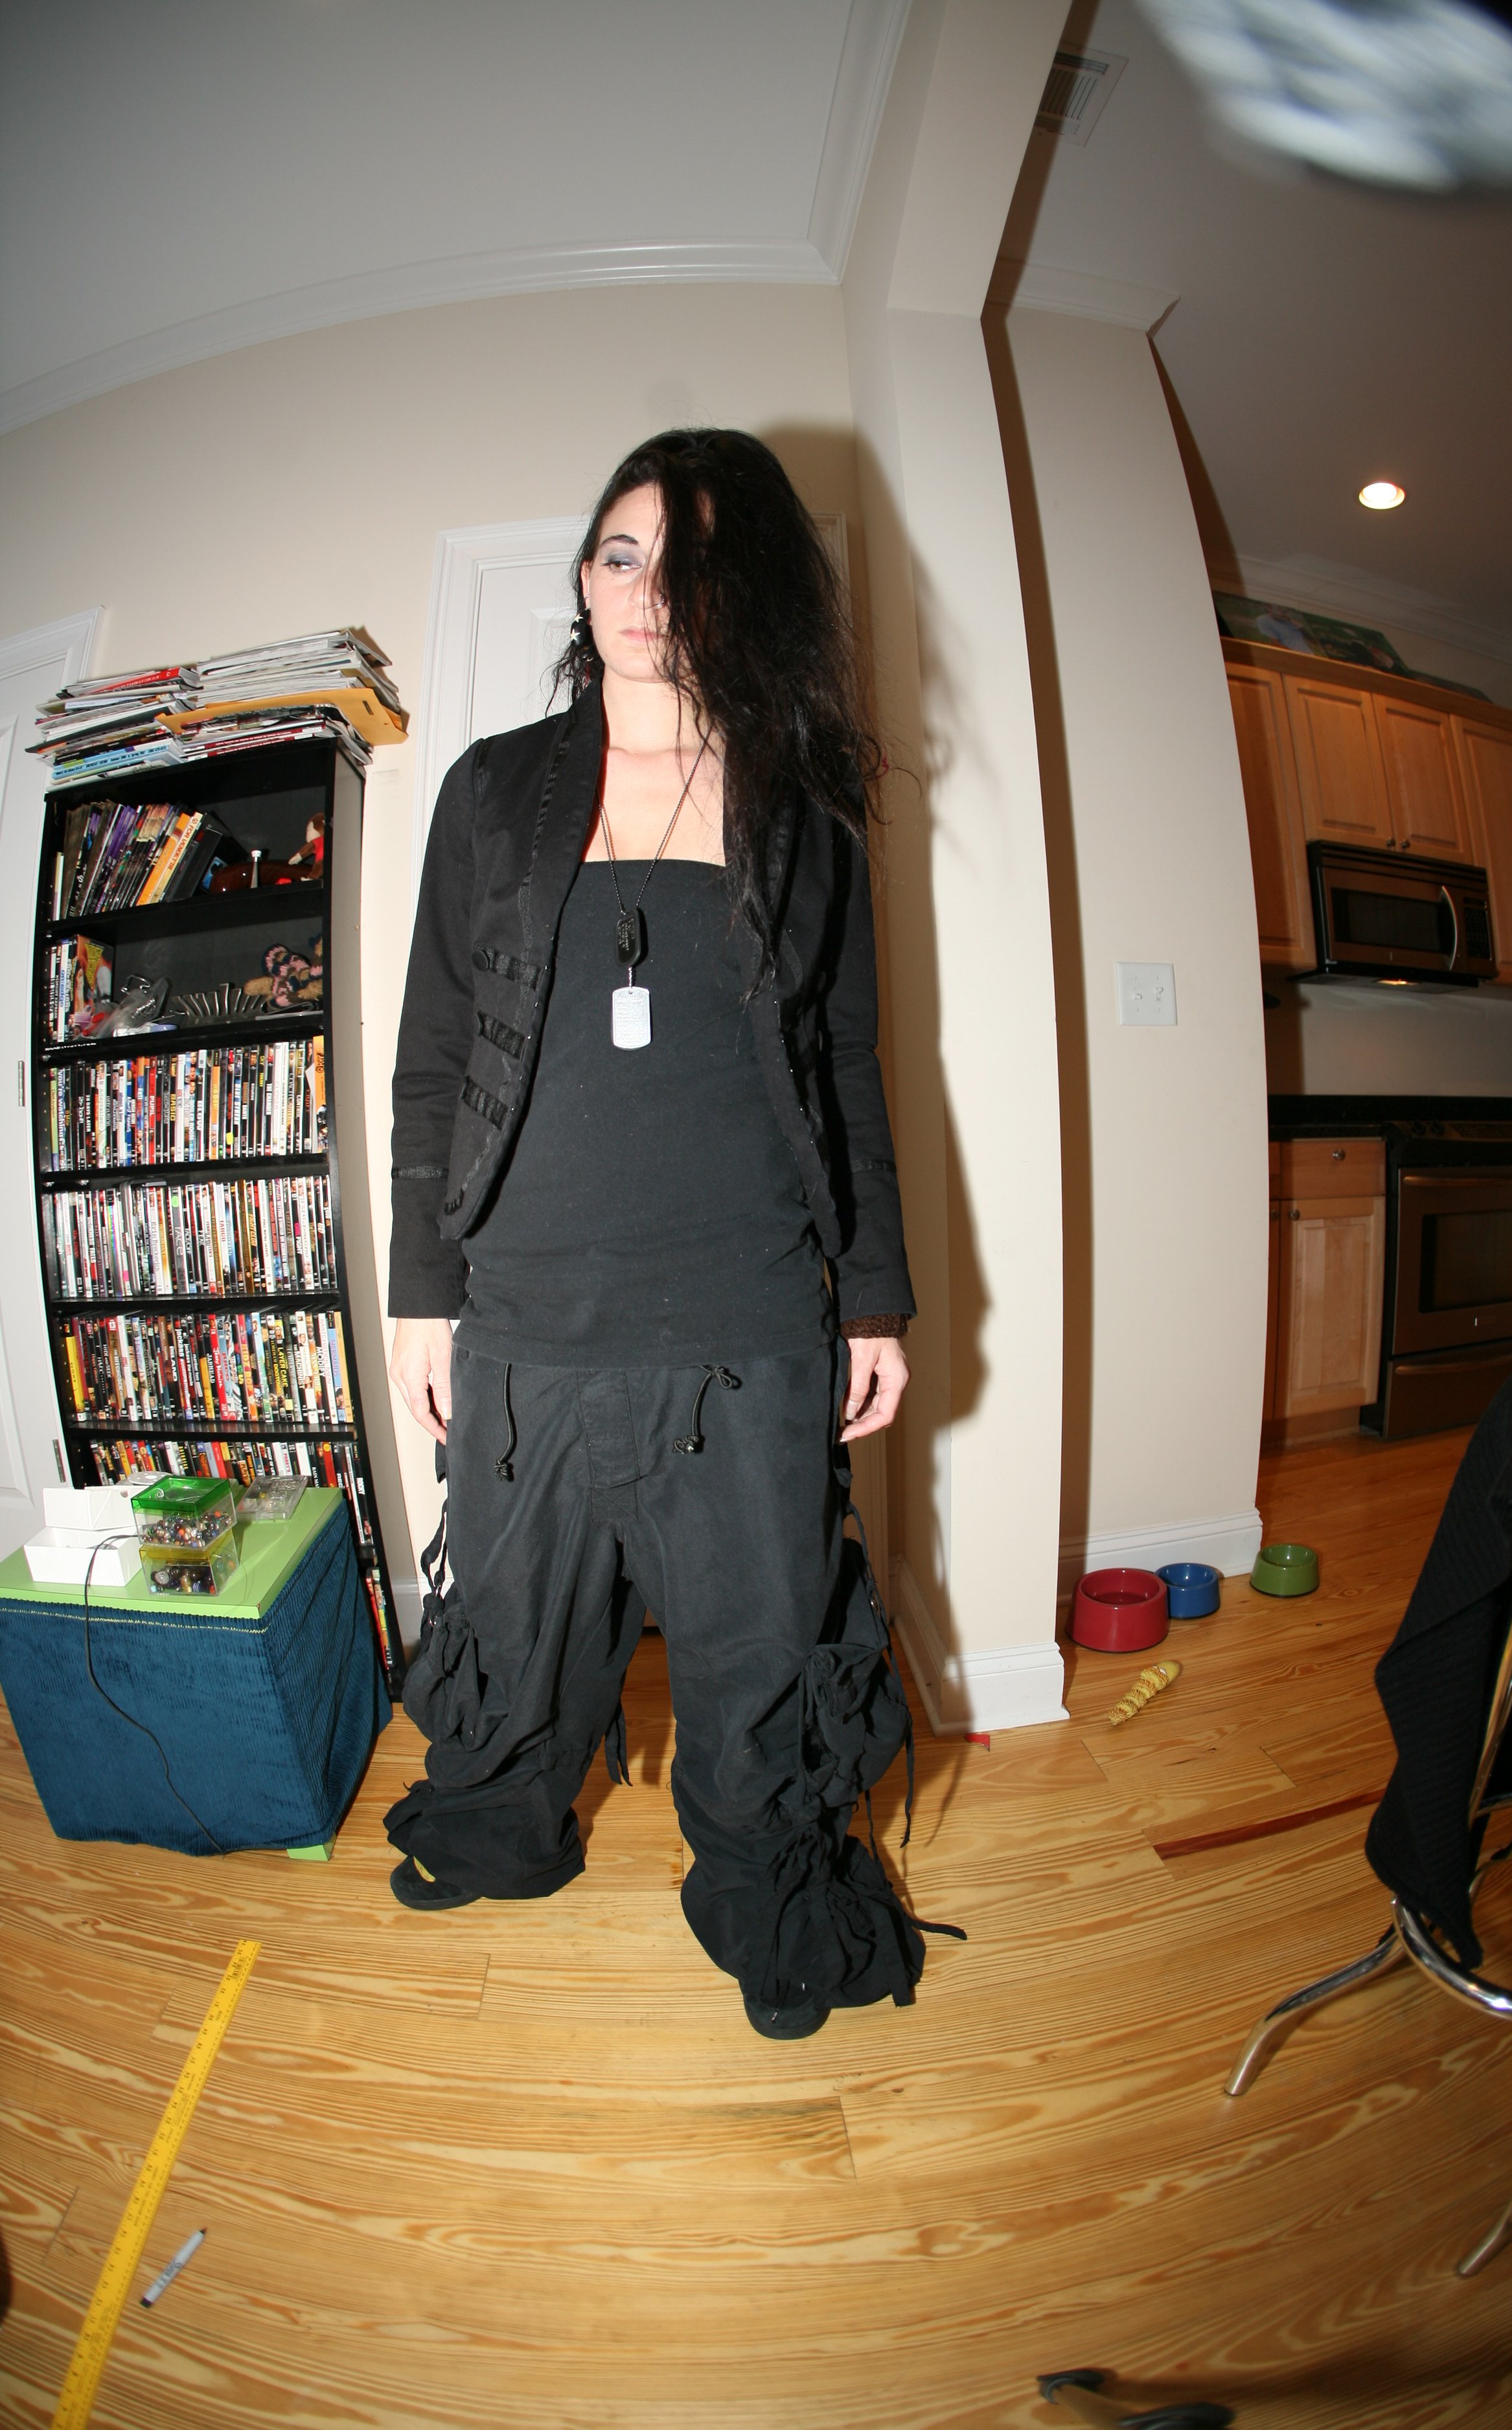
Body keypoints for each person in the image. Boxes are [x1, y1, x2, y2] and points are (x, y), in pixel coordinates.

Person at [385, 428, 946, 2039]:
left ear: (743, 597)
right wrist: (422, 1294)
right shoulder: (493, 792)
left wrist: (876, 1302)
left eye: (689, 567)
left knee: (761, 1648)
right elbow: (433, 1057)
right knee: (512, 1627)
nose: (647, 594)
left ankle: (766, 1899)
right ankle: (499, 1832)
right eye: (621, 553)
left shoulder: (805, 823)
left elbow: (846, 1074)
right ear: (583, 576)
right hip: (525, 1324)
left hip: (748, 1324)